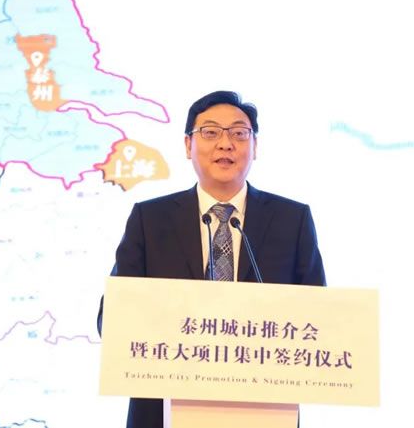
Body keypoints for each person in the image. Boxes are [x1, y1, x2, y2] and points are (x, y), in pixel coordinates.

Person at [98, 90, 326, 428]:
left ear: (255, 146)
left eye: (239, 133)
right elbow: (112, 320)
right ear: (187, 145)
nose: (225, 144)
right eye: (210, 132)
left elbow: (319, 320)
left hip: (263, 411)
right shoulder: (151, 219)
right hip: (163, 412)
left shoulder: (292, 219)